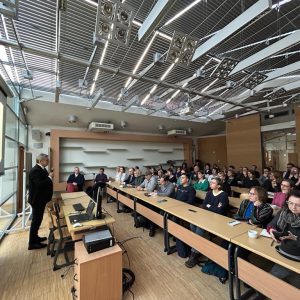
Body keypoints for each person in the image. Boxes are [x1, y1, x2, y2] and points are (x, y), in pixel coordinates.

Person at [185, 178, 229, 268]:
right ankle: (198, 246)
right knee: (192, 223)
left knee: (200, 228)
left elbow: (219, 211)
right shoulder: (209, 193)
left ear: (219, 186)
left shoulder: (224, 195)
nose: (211, 184)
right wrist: (212, 207)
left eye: (213, 182)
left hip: (218, 219)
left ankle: (194, 254)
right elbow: (204, 205)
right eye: (211, 182)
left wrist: (210, 206)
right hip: (206, 215)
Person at [267, 190, 300, 287]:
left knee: (272, 277)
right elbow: (271, 224)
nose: (293, 207)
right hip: (280, 246)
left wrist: (295, 239)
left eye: (298, 205)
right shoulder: (284, 211)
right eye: (291, 203)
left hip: (294, 253)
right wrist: (272, 231)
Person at [28, 153, 53, 250]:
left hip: (41, 199)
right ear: (41, 161)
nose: (48, 161)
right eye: (47, 160)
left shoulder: (42, 169)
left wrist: (49, 176)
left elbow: (44, 181)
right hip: (37, 200)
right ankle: (32, 243)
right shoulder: (35, 171)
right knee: (36, 221)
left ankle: (35, 238)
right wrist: (50, 177)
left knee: (38, 220)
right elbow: (39, 185)